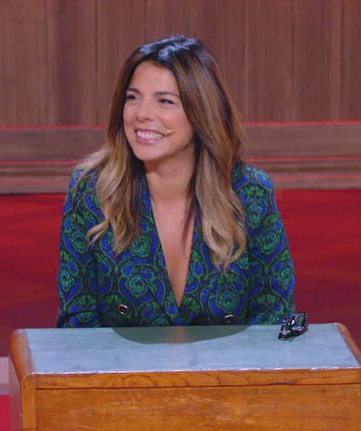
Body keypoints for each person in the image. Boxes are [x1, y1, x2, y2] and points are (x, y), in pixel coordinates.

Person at [56, 35, 295, 327]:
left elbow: (274, 315)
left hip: (229, 359)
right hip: (121, 359)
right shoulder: (92, 190)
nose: (142, 114)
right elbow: (77, 321)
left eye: (165, 101)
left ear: (201, 113)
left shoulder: (251, 192)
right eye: (133, 98)